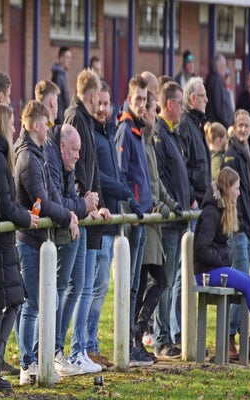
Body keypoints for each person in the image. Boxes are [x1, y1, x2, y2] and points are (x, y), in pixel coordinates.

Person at [15, 100, 78, 385]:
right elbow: (41, 200)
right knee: (32, 303)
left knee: (41, 302)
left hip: (39, 240)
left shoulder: (38, 155)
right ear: (36, 125)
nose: (48, 128)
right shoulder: (28, 158)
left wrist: (68, 214)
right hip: (27, 240)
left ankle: (37, 359)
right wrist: (67, 216)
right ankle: (26, 363)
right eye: (46, 124)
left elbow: (52, 194)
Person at [0, 103, 38, 391]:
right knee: (15, 299)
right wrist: (26, 218)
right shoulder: (0, 160)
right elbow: (5, 205)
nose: (15, 128)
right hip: (2, 239)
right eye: (13, 122)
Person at [87, 80, 142, 370]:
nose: (102, 108)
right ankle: (87, 346)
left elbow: (116, 174)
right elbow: (98, 176)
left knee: (101, 288)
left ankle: (91, 345)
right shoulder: (93, 135)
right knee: (94, 288)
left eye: (107, 103)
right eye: (99, 103)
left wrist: (128, 195)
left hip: (110, 220)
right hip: (98, 222)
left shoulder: (109, 133)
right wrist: (123, 191)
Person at [64, 69, 111, 373]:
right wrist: (85, 202)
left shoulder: (87, 120)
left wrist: (101, 204)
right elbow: (76, 168)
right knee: (78, 287)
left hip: (91, 211)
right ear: (93, 95)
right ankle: (76, 349)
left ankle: (81, 348)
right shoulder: (76, 118)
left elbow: (92, 169)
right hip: (81, 212)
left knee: (86, 284)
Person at [44, 123, 98, 377]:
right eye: (74, 150)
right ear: (62, 146)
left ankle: (59, 349)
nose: (78, 156)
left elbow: (68, 199)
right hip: (54, 236)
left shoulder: (65, 164)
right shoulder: (50, 159)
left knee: (76, 285)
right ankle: (51, 351)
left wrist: (85, 207)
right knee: (58, 288)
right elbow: (58, 200)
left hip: (72, 229)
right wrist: (83, 206)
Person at [134, 91, 181, 361]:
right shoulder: (141, 141)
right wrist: (156, 205)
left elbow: (156, 182)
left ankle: (138, 330)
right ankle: (136, 336)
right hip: (145, 220)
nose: (154, 114)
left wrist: (170, 203)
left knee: (157, 280)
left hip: (154, 223)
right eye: (153, 110)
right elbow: (141, 183)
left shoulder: (149, 141)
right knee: (149, 281)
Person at [115, 74, 154, 366]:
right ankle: (126, 345)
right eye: (137, 99)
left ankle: (131, 343)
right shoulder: (125, 131)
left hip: (142, 216)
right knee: (128, 284)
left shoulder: (138, 130)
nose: (142, 104)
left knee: (135, 285)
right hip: (133, 219)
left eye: (144, 100)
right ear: (129, 99)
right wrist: (132, 209)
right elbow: (122, 175)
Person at [153, 80, 190, 358]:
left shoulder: (172, 134)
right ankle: (162, 338)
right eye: (180, 103)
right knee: (164, 281)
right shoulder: (160, 134)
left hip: (177, 220)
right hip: (167, 222)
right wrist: (172, 204)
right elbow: (160, 177)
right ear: (169, 104)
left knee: (171, 279)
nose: (183, 109)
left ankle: (168, 335)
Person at [194, 167, 250, 318]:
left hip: (216, 268)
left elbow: (220, 244)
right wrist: (222, 258)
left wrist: (224, 257)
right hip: (205, 272)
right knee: (248, 284)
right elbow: (201, 248)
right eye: (236, 189)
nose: (239, 193)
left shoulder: (222, 210)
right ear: (227, 189)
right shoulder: (211, 212)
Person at [221, 109, 250, 359]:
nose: (243, 129)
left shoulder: (247, 152)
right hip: (238, 229)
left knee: (245, 285)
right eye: (239, 125)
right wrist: (239, 225)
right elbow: (231, 196)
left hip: (248, 229)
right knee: (239, 284)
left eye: (246, 125)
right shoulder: (231, 155)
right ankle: (230, 337)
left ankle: (242, 337)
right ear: (234, 127)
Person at [178, 76, 210, 215]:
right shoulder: (185, 125)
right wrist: (192, 200)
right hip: (194, 205)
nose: (206, 100)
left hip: (203, 201)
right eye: (203, 96)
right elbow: (182, 165)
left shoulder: (197, 124)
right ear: (192, 99)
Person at [205, 53, 233, 129]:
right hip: (219, 128)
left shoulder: (216, 80)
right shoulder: (216, 81)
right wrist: (229, 125)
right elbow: (220, 109)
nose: (226, 68)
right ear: (218, 67)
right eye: (224, 65)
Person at [51, 46, 72, 124]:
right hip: (60, 121)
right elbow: (58, 101)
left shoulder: (63, 75)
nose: (70, 61)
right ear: (61, 59)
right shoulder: (58, 76)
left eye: (70, 58)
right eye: (67, 57)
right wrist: (62, 122)